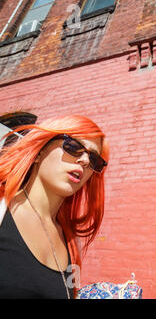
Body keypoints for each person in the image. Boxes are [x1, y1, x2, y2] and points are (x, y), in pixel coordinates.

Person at [0, 115, 109, 299]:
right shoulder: (3, 210)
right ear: (39, 151)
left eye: (94, 160)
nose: (84, 160)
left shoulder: (72, 242)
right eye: (73, 147)